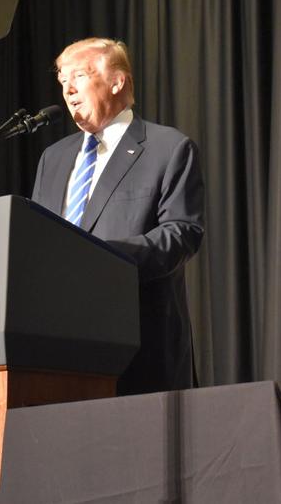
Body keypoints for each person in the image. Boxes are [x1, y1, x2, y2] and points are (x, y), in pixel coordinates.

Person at [31, 37, 205, 395]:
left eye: (78, 76)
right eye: (63, 82)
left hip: (137, 344)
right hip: (56, 346)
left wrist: (104, 260)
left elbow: (181, 233)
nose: (69, 90)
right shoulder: (54, 158)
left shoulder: (167, 148)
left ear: (117, 81)